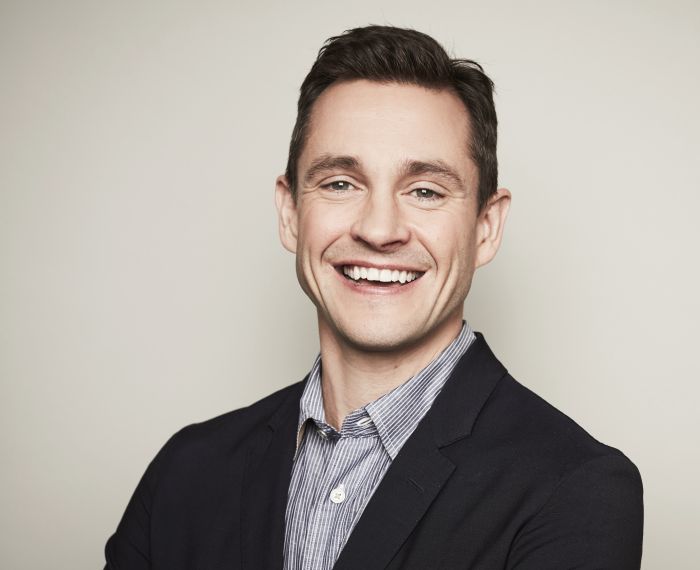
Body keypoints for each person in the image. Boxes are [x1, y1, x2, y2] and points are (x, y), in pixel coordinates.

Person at [105, 25, 643, 569]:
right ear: (290, 213)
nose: (380, 230)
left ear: (485, 227)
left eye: (425, 191)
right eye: (340, 183)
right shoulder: (186, 472)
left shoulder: (575, 490)